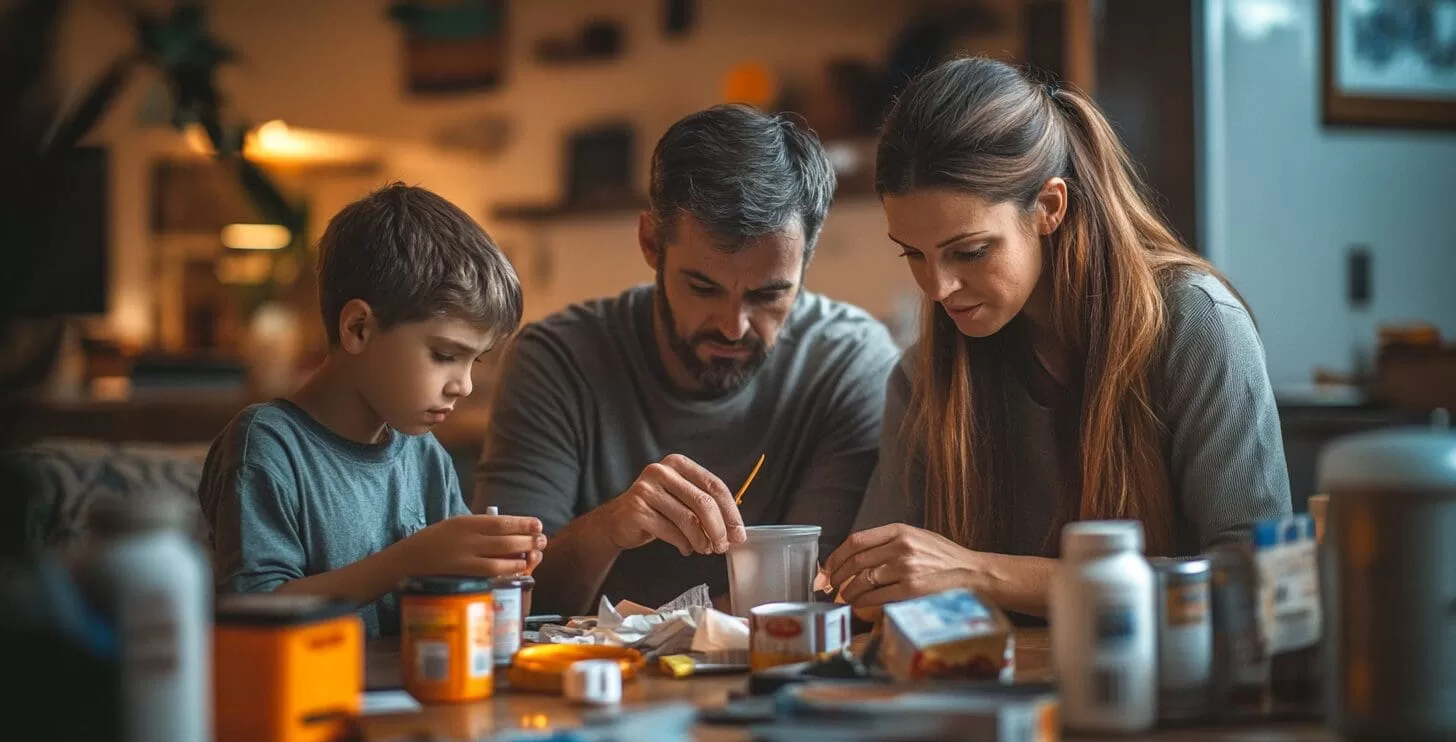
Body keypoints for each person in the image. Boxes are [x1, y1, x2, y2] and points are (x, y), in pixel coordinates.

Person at [826, 58, 1291, 622]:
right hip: (987, 697)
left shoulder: (1199, 326)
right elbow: (876, 588)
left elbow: (1253, 577)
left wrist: (980, 572)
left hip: (1167, 697)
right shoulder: (924, 373)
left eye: (969, 251)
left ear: (1049, 207)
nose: (938, 288)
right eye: (913, 254)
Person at [474, 105, 900, 615]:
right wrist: (609, 530)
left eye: (768, 295)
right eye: (703, 287)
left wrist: (667, 638)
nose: (733, 325)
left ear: (807, 258)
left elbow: (813, 590)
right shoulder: (557, 362)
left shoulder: (850, 362)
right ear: (652, 242)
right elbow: (500, 600)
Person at [199, 183, 546, 638]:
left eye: (474, 361)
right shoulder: (267, 445)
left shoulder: (425, 458)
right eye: (444, 354)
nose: (463, 385)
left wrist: (502, 578)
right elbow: (253, 612)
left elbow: (467, 620)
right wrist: (410, 561)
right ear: (358, 328)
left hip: (414, 699)